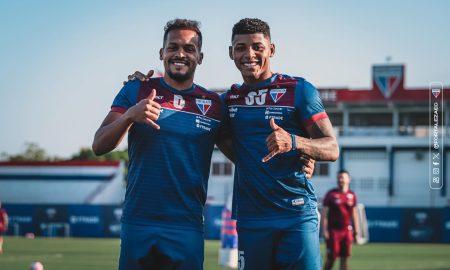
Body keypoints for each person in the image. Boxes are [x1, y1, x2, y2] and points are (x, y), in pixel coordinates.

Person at [93, 18, 316, 270]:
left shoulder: (215, 105)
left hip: (187, 226)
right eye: (173, 47)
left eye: (189, 49)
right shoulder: (137, 90)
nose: (180, 54)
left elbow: (246, 152)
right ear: (161, 53)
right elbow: (99, 145)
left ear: (200, 57)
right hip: (138, 223)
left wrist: (301, 154)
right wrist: (129, 116)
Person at [222, 18, 339, 270]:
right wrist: (147, 82)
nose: (249, 54)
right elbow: (181, 100)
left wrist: (295, 142)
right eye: (240, 47)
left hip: (295, 215)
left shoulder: (299, 89)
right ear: (231, 52)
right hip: (251, 218)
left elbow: (331, 148)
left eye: (257, 47)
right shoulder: (226, 101)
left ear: (271, 50)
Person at [322, 170, 360, 270]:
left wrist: (356, 231)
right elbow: (324, 214)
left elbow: (354, 214)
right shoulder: (331, 194)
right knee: (331, 258)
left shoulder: (352, 195)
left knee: (344, 258)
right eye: (339, 177)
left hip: (347, 231)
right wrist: (325, 230)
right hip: (333, 231)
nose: (340, 180)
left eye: (342, 177)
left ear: (349, 179)